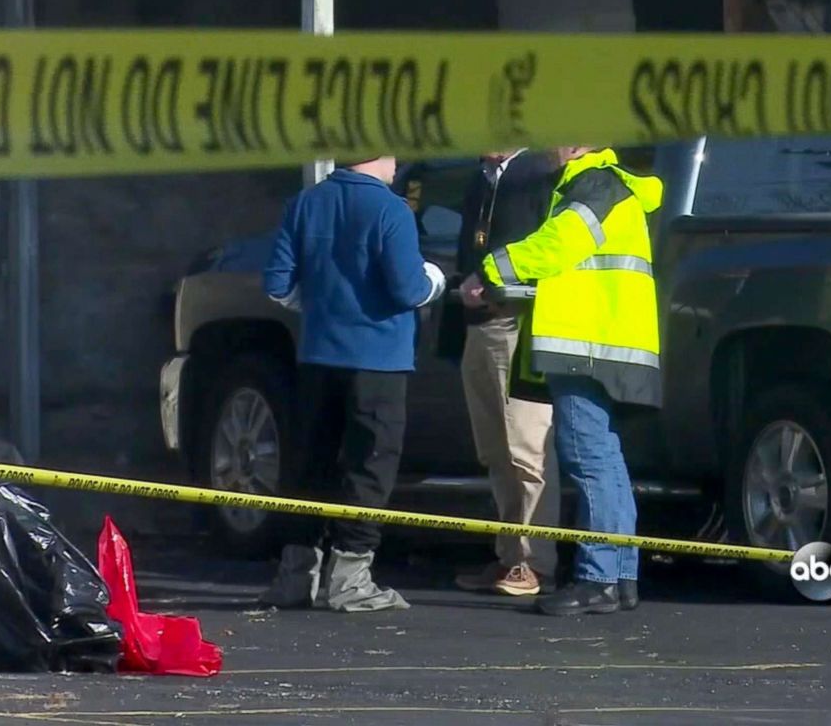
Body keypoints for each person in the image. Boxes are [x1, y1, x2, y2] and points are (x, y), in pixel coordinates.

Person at [460, 147, 663, 616]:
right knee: (606, 463)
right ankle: (620, 576)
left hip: (586, 347)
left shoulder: (594, 184)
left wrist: (489, 270)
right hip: (605, 344)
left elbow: (557, 244)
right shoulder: (604, 185)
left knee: (589, 460)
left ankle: (598, 579)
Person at [260, 155, 446, 613]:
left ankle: (296, 573)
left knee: (310, 463)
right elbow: (407, 289)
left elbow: (277, 283)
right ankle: (350, 578)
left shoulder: (306, 203)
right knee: (370, 464)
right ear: (381, 156)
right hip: (379, 359)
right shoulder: (391, 209)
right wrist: (436, 281)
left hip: (319, 355)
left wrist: (322, 309)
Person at [450, 149, 562, 597]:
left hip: (518, 322)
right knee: (495, 450)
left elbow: (547, 249)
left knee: (527, 449)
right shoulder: (481, 180)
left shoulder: (540, 174)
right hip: (478, 326)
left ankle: (538, 563)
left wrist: (499, 286)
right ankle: (509, 557)